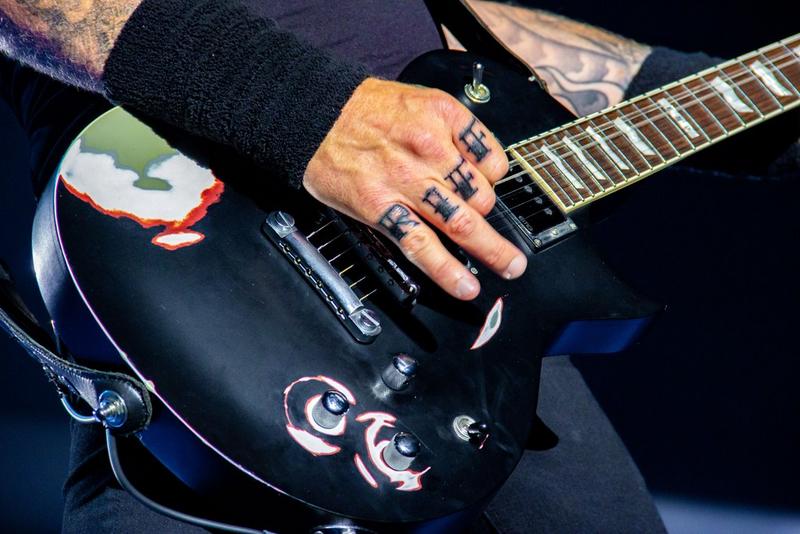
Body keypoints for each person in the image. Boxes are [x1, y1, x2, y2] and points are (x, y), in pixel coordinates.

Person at [0, 1, 797, 532]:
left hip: (460, 316)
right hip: (217, 266)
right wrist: (315, 114)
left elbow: (435, 33)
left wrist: (758, 93)